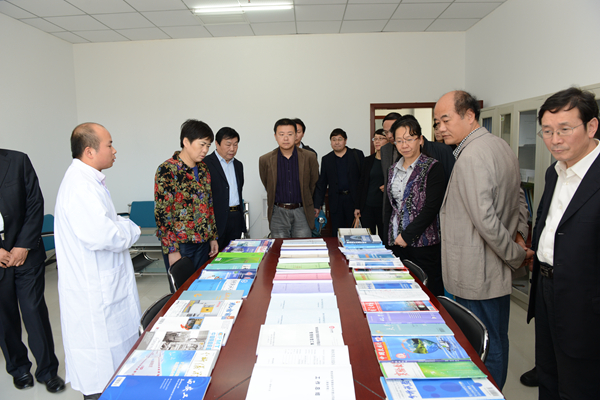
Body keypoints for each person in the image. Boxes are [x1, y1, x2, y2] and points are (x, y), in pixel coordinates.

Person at [434, 90, 531, 389]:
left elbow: (485, 220)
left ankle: (488, 392)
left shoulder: (472, 155)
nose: (440, 128)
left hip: (476, 271)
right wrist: (520, 236)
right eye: (437, 123)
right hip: (490, 269)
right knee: (496, 337)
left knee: (485, 344)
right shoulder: (499, 145)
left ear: (469, 115)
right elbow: (520, 199)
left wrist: (516, 254)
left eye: (446, 120)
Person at [54, 123, 142, 400]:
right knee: (100, 372)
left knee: (116, 366)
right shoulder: (79, 186)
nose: (114, 151)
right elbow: (105, 234)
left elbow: (112, 225)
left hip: (106, 287)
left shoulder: (90, 181)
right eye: (109, 145)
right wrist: (131, 228)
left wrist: (120, 225)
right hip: (93, 295)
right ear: (89, 152)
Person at [526, 87, 600, 399]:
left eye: (564, 129)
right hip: (546, 287)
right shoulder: (554, 172)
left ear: (591, 127)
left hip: (586, 301)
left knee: (578, 385)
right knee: (548, 374)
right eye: (547, 131)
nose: (555, 139)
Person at [0, 149, 65, 394]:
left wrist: (23, 245)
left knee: (34, 311)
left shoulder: (17, 161)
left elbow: (35, 203)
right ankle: (18, 368)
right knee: (4, 317)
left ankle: (48, 371)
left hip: (26, 254)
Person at [386, 116, 446, 296]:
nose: (404, 145)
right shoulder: (393, 169)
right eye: (399, 141)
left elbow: (431, 208)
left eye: (409, 139)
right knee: (401, 292)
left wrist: (407, 235)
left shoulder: (432, 167)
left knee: (427, 293)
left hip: (423, 244)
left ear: (420, 139)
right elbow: (392, 207)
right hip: (396, 242)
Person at [155, 119, 219, 285]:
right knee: (181, 291)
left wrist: (213, 237)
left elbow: (209, 205)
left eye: (208, 146)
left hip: (203, 241)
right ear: (186, 141)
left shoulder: (203, 169)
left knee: (201, 287)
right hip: (181, 244)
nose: (205, 150)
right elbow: (163, 214)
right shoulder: (167, 169)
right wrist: (172, 250)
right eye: (202, 144)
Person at [259, 118, 319, 238]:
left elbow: (313, 183)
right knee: (279, 247)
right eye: (281, 134)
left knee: (302, 247)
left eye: (290, 134)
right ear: (275, 136)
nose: (285, 138)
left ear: (296, 135)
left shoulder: (309, 157)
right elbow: (267, 183)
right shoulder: (265, 159)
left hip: (302, 211)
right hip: (278, 212)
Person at [313, 128, 364, 236]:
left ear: (345, 141)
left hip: (353, 201)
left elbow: (363, 180)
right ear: (331, 142)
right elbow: (322, 183)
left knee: (355, 233)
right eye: (334, 139)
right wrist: (317, 205)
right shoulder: (326, 159)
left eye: (340, 139)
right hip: (336, 202)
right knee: (337, 232)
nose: (337, 142)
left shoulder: (356, 155)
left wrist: (360, 204)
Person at [204, 127, 246, 250]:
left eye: (235, 144)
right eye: (228, 144)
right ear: (217, 144)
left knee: (234, 255)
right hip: (216, 220)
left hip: (235, 218)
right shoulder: (205, 164)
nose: (232, 149)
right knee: (215, 256)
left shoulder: (238, 165)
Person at [355, 128, 387, 235]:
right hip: (367, 205)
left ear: (388, 141)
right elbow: (361, 184)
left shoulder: (393, 160)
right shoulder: (368, 160)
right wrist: (358, 206)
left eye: (381, 138)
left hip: (384, 207)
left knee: (384, 237)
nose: (377, 141)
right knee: (369, 237)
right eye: (375, 139)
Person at [380, 112, 402, 245]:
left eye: (391, 131)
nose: (388, 135)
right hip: (389, 207)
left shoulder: (412, 148)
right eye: (386, 132)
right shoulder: (385, 150)